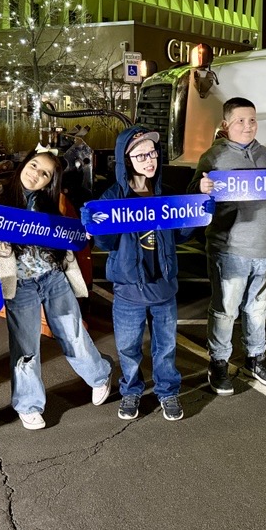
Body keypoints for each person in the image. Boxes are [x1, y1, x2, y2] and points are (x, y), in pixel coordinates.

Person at [0, 146, 112, 430]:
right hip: (19, 283)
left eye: (45, 173)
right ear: (24, 163)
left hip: (53, 275)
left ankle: (99, 374)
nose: (36, 175)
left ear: (50, 181)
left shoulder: (53, 200)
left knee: (72, 332)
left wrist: (85, 230)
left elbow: (75, 233)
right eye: (34, 166)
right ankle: (28, 404)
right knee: (25, 345)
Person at [192, 97, 266, 394]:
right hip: (230, 249)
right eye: (240, 121)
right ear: (226, 125)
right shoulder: (213, 158)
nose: (248, 126)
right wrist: (200, 189)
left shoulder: (265, 155)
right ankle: (219, 363)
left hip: (264, 248)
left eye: (252, 120)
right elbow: (192, 201)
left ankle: (256, 358)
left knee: (258, 308)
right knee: (225, 311)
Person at [90, 127, 193, 422]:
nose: (150, 160)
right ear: (127, 159)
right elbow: (106, 243)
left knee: (165, 346)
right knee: (128, 346)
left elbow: (181, 237)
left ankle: (167, 391)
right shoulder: (112, 198)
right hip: (128, 291)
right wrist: (97, 227)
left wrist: (198, 214)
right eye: (141, 154)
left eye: (153, 153)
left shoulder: (166, 194)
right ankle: (131, 389)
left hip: (163, 288)